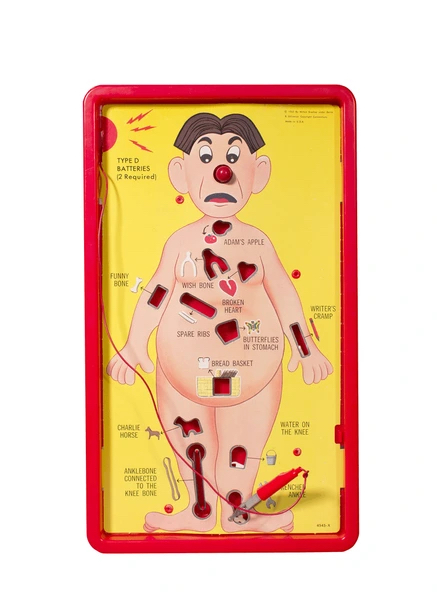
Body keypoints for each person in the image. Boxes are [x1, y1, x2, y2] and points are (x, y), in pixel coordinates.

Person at [107, 113, 333, 533]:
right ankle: (198, 511)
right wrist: (134, 345)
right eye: (206, 158)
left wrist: (306, 349)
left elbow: (285, 297)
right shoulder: (179, 243)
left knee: (240, 446)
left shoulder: (259, 243)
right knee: (191, 442)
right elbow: (157, 293)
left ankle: (238, 513)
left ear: (258, 173)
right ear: (180, 174)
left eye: (232, 159)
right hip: (181, 377)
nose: (221, 173)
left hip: (253, 378)